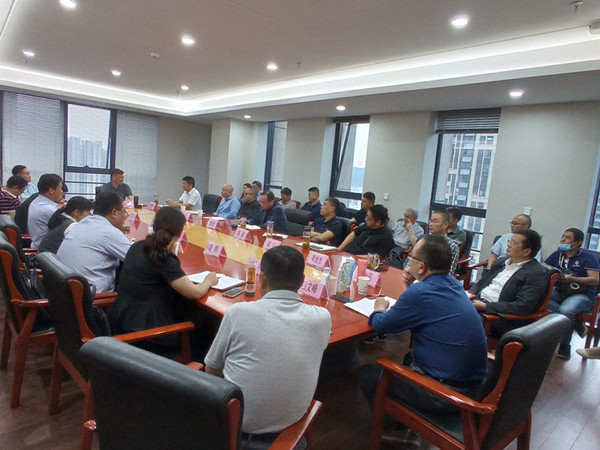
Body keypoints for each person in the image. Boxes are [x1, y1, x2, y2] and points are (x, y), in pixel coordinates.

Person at [205, 246, 331, 446]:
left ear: (262, 278)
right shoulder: (322, 318)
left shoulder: (238, 313)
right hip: (290, 431)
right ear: (302, 282)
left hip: (234, 432)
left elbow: (212, 369)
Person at [357, 235, 487, 417]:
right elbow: (419, 309)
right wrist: (409, 286)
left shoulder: (422, 292)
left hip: (447, 395)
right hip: (473, 385)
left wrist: (379, 308)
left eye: (412, 257)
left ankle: (389, 424)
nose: (409, 260)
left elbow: (381, 325)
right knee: (409, 358)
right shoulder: (453, 284)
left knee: (367, 373)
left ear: (421, 266)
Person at [109, 207, 218, 355]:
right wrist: (209, 281)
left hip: (121, 323)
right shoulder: (163, 258)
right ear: (179, 234)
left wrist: (170, 249)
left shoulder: (136, 247)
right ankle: (194, 366)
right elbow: (195, 293)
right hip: (148, 336)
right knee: (207, 320)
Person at [57, 192, 132, 293]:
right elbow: (138, 258)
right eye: (124, 212)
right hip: (91, 298)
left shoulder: (82, 223)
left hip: (64, 292)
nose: (124, 217)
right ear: (114, 213)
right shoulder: (108, 231)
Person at [545, 228, 600, 359]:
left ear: (578, 242)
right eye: (563, 237)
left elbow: (594, 280)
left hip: (582, 294)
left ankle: (564, 345)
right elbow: (544, 269)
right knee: (539, 299)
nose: (563, 240)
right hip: (560, 290)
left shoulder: (588, 258)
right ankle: (575, 323)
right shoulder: (557, 255)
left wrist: (573, 279)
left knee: (565, 310)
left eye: (568, 238)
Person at [468, 229, 548, 317]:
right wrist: (469, 296)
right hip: (476, 303)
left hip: (494, 314)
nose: (508, 245)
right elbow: (482, 283)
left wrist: (485, 306)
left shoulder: (536, 274)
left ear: (526, 251)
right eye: (510, 241)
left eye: (514, 243)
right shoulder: (500, 262)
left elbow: (522, 307)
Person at [27, 173, 64, 247]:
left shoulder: (36, 202)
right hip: (49, 249)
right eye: (60, 189)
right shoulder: (48, 210)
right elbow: (69, 227)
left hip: (37, 244)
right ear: (51, 190)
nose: (62, 191)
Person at [427, 210, 460, 274]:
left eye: (435, 221)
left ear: (445, 225)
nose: (430, 224)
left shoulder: (451, 246)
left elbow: (449, 273)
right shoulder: (424, 241)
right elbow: (411, 261)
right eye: (430, 221)